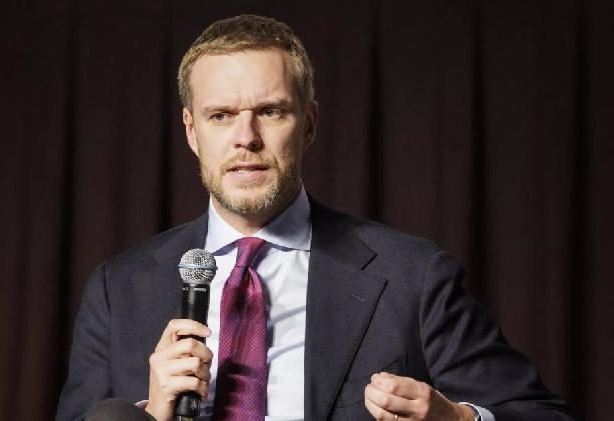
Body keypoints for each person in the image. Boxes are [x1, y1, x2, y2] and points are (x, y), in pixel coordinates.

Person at [55, 15, 575, 421]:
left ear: (308, 123)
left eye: (271, 111)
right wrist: (150, 414)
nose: (246, 138)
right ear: (192, 131)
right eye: (221, 116)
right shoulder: (118, 289)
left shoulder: (414, 277)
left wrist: (459, 419)